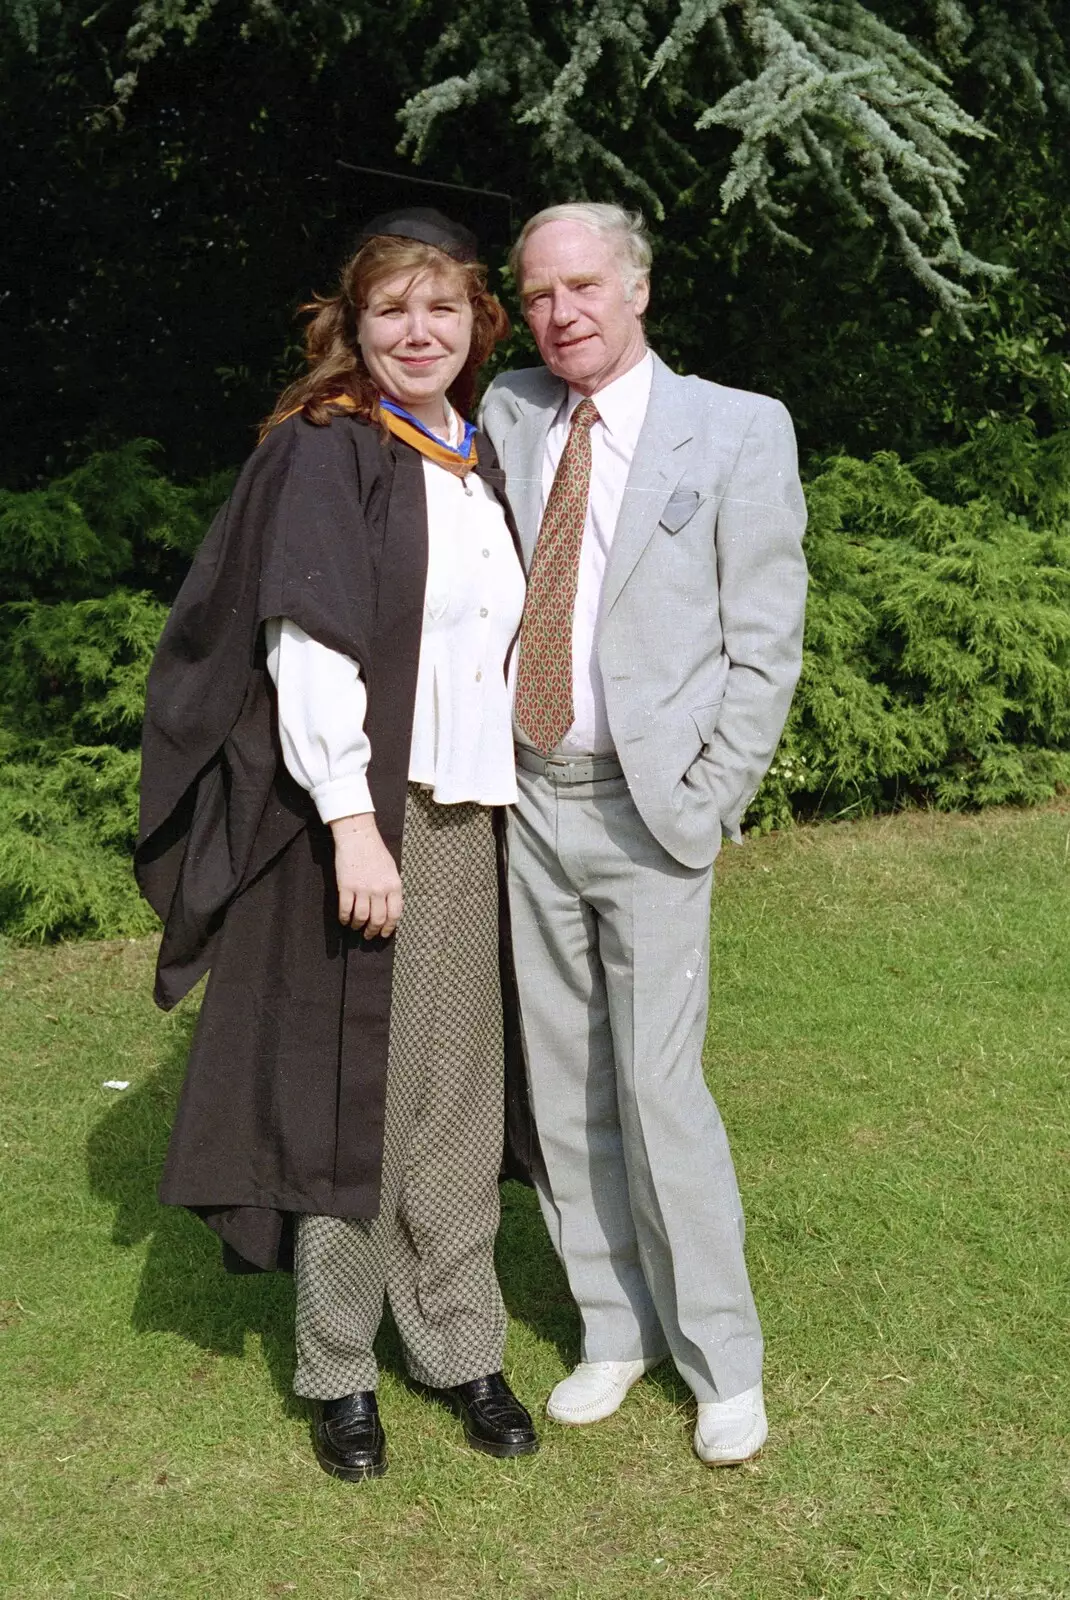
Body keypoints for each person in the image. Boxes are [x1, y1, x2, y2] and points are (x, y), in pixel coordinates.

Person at [136, 207, 539, 1482]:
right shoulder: (332, 450)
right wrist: (354, 828)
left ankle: (462, 1337)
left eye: (442, 310)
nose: (416, 333)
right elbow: (304, 650)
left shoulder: (476, 457)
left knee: (460, 1098)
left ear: (478, 323)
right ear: (352, 328)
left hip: (474, 816)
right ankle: (339, 1369)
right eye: (390, 312)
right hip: (368, 817)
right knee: (352, 1097)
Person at [480, 202, 808, 1466]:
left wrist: (713, 792)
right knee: (563, 1087)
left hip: (652, 812)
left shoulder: (734, 427)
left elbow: (762, 641)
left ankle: (722, 1360)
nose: (560, 313)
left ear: (637, 289)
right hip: (527, 796)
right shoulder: (510, 412)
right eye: (538, 293)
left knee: (659, 1087)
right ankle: (612, 1326)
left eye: (582, 288)